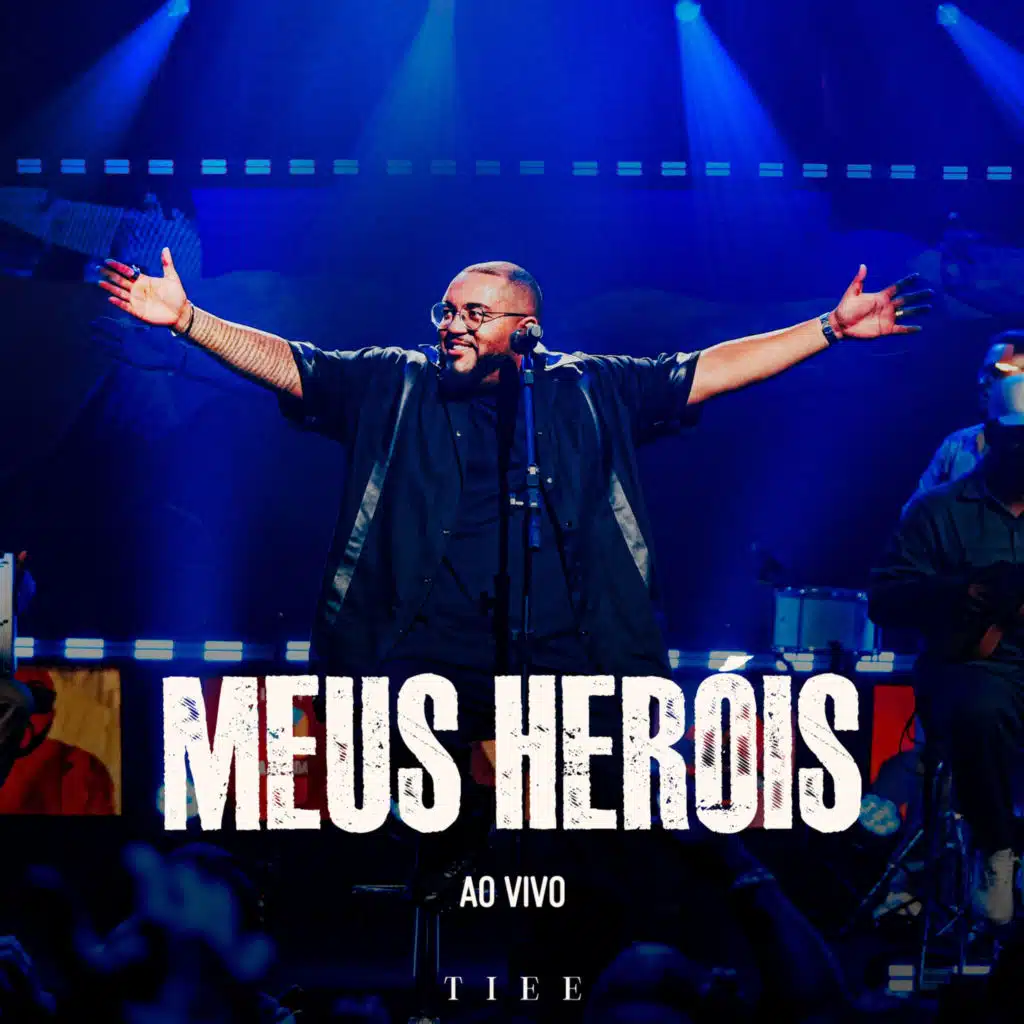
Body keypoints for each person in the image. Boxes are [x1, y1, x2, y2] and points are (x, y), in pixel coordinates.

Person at [97, 251, 929, 893]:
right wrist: (188, 321)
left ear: (526, 328)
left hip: (564, 655)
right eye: (447, 310)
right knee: (415, 840)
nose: (451, 325)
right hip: (421, 655)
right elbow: (292, 363)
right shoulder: (394, 382)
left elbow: (708, 369)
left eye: (475, 313)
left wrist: (828, 330)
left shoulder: (588, 390)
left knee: (581, 852)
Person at [870, 373, 1024, 927]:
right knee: (979, 709)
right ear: (992, 437)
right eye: (1018, 440)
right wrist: (963, 592)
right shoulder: (937, 511)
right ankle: (997, 852)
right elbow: (885, 600)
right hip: (971, 668)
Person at [906, 329, 1024, 508]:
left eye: (998, 371)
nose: (983, 382)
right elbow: (914, 514)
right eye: (984, 372)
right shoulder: (956, 445)